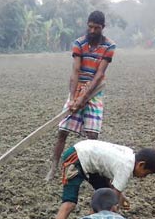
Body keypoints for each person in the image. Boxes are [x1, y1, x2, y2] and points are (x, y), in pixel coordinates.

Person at [47, 139, 155, 219]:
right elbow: (112, 203)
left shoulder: (129, 155)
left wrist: (121, 197)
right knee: (69, 203)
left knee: (104, 199)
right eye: (146, 173)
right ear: (141, 165)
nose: (144, 177)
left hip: (89, 158)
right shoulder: (126, 167)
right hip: (77, 157)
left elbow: (109, 180)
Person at [45, 10, 116, 181]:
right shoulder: (79, 43)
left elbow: (99, 75)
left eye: (96, 28)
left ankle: (91, 171)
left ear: (103, 28)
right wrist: (72, 98)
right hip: (77, 88)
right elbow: (75, 71)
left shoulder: (109, 46)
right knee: (62, 130)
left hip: (95, 90)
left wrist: (84, 98)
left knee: (93, 136)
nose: (92, 31)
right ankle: (54, 167)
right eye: (90, 27)